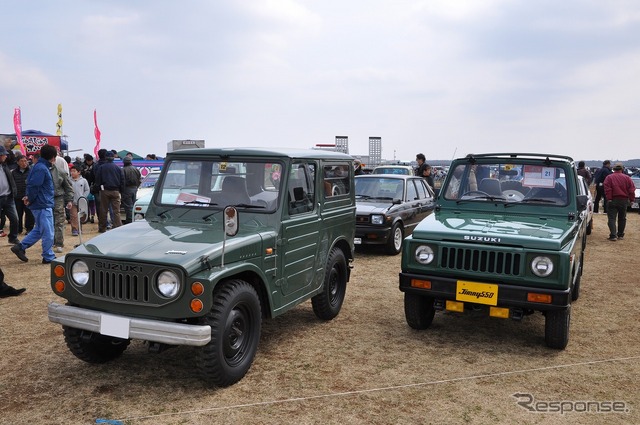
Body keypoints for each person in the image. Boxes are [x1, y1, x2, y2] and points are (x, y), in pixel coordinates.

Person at [11, 144, 57, 263]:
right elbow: (34, 186)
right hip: (42, 204)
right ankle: (48, 256)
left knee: (39, 230)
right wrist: (29, 198)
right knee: (48, 232)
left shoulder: (39, 167)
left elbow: (33, 185)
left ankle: (20, 247)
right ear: (52, 157)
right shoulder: (41, 168)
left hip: (41, 203)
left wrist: (29, 197)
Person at [603, 162, 635, 241]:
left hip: (612, 199)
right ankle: (620, 234)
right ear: (622, 169)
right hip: (623, 200)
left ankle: (613, 235)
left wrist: (609, 198)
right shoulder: (627, 178)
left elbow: (607, 189)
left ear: (613, 169)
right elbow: (631, 190)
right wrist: (631, 200)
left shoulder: (609, 177)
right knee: (622, 218)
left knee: (611, 218)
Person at [94, 150, 124, 232]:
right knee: (116, 211)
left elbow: (98, 180)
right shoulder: (118, 168)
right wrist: (120, 191)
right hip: (116, 191)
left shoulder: (101, 167)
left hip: (105, 191)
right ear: (113, 157)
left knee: (103, 210)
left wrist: (98, 188)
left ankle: (102, 228)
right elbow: (122, 181)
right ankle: (118, 227)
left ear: (106, 157)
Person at [52, 154, 74, 252]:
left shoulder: (60, 170)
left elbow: (68, 186)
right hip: (48, 199)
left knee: (58, 221)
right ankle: (53, 242)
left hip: (58, 198)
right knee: (51, 222)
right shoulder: (41, 169)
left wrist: (69, 200)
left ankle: (58, 242)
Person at [0, 145, 21, 244]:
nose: (5, 156)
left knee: (15, 219)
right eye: (4, 155)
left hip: (8, 197)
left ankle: (12, 237)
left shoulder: (5, 166)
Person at [12, 154, 34, 234]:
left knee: (29, 213)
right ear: (17, 162)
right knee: (18, 213)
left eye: (25, 161)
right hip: (17, 196)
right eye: (22, 161)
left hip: (28, 196)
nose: (24, 163)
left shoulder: (31, 171)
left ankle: (29, 229)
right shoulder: (13, 173)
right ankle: (18, 229)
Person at [68, 165, 90, 236]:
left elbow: (87, 190)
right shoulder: (69, 180)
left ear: (79, 172)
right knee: (73, 215)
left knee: (81, 215)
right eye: (71, 171)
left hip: (81, 202)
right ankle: (74, 229)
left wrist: (83, 197)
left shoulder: (83, 181)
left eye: (74, 171)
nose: (72, 173)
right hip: (72, 201)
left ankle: (80, 228)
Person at [121, 156, 141, 224]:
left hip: (127, 189)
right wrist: (136, 187)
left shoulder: (123, 170)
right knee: (132, 205)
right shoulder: (135, 169)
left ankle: (129, 221)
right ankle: (132, 219)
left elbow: (122, 181)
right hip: (134, 189)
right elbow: (139, 180)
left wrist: (122, 190)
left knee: (128, 207)